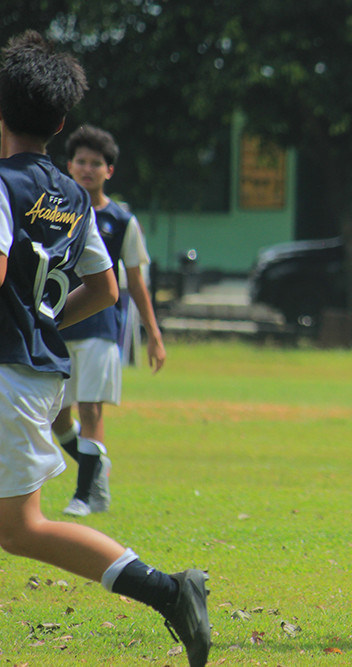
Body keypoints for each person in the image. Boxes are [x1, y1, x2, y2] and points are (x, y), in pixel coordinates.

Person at [0, 31, 210, 667]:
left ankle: (169, 592)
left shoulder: (2, 185)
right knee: (17, 528)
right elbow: (106, 288)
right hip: (36, 372)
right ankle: (170, 593)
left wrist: (26, 317)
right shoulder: (70, 194)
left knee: (22, 529)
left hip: (7, 374)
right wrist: (41, 319)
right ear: (62, 124)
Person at [52, 124, 166, 517]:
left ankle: (83, 496)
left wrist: (153, 334)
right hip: (56, 324)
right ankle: (95, 465)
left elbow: (135, 283)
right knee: (56, 416)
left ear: (109, 171)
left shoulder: (121, 220)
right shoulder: (54, 210)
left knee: (91, 410)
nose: (87, 169)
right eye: (80, 161)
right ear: (68, 166)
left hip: (100, 328)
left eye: (95, 163)